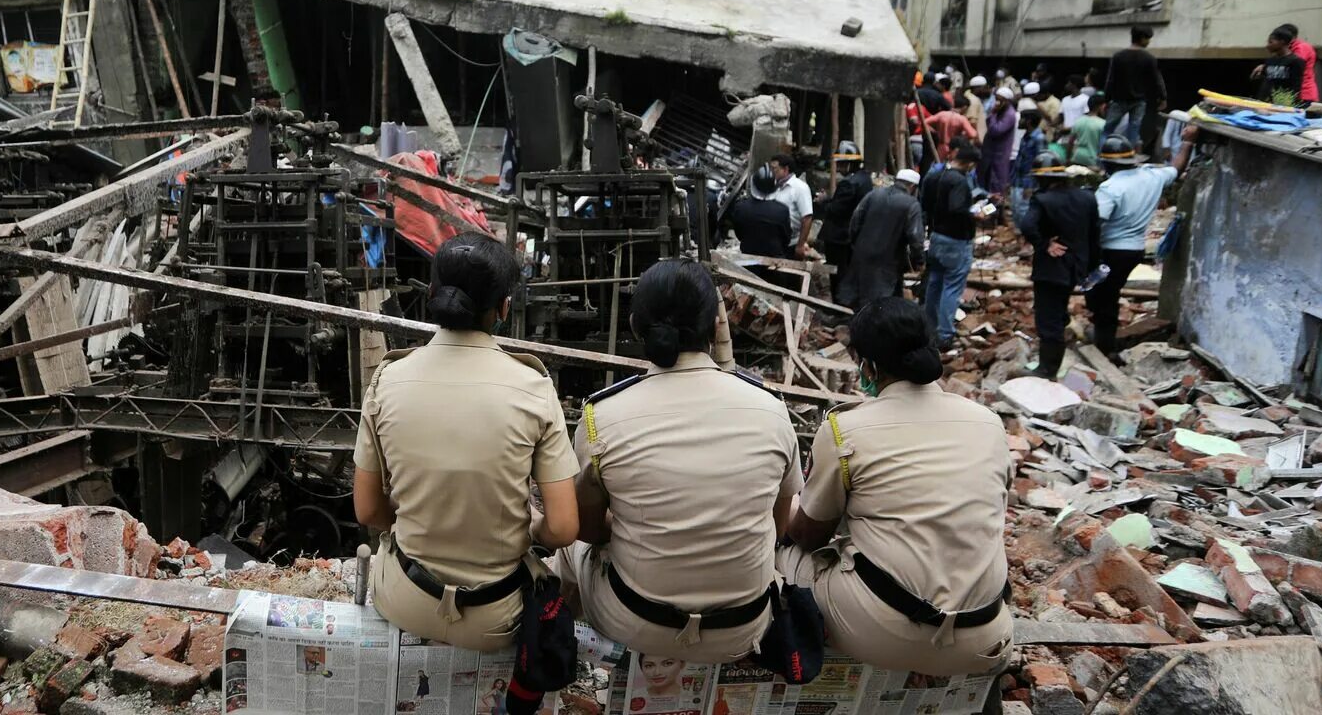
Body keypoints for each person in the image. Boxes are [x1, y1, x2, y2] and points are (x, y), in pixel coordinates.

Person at [557, 261, 801, 664]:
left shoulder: (602, 416)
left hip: (634, 620)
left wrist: (636, 524)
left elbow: (585, 528)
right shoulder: (771, 409)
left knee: (567, 550)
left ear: (636, 325)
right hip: (743, 627)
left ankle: (561, 652)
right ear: (714, 327)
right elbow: (779, 526)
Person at [355, 234, 579, 653]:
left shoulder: (387, 380)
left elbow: (368, 509)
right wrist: (530, 527)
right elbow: (565, 528)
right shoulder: (533, 387)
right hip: (496, 619)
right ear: (503, 309)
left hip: (405, 600)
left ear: (433, 294)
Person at [778, 298, 1012, 677]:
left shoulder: (843, 430)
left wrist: (783, 511)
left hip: (882, 634)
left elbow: (808, 535)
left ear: (866, 364)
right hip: (983, 639)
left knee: (782, 560)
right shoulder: (988, 422)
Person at [1090, 133, 1190, 360]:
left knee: (1102, 296)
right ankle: (1103, 336)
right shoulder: (1151, 176)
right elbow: (1177, 167)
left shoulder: (1109, 188)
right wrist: (1188, 142)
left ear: (1106, 163)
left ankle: (1105, 346)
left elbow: (1095, 223)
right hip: (1134, 250)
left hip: (1110, 251)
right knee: (1107, 293)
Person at [1015, 168, 1101, 380]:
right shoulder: (1087, 197)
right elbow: (1094, 234)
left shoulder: (1043, 200)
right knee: (1059, 309)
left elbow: (1027, 225)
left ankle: (1047, 369)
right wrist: (1091, 267)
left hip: (1051, 268)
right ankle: (1055, 355)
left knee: (1048, 318)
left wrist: (1044, 244)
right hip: (1076, 267)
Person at [840, 169, 926, 311]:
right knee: (880, 300)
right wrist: (919, 261)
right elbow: (916, 237)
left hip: (862, 253)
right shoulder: (911, 204)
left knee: (860, 293)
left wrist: (856, 244)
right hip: (888, 259)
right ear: (912, 187)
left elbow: (855, 221)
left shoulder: (874, 194)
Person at [920, 145, 977, 351]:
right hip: (956, 239)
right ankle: (945, 334)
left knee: (935, 282)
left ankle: (928, 327)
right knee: (951, 287)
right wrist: (974, 214)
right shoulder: (960, 181)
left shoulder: (935, 176)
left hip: (936, 236)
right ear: (969, 163)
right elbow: (957, 208)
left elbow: (924, 203)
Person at [816, 145, 871, 301]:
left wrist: (824, 201)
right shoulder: (864, 179)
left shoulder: (849, 183)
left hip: (839, 236)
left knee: (838, 273)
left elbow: (836, 210)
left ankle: (839, 308)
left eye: (841, 163)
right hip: (851, 236)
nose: (838, 167)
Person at [1103, 26, 1165, 151]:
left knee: (1107, 131)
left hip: (1118, 100)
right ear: (1142, 38)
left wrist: (1106, 99)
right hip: (1138, 102)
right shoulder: (1149, 59)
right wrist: (1163, 97)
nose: (1149, 42)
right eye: (1148, 38)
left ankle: (1100, 161)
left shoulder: (1118, 56)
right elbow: (1156, 80)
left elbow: (1110, 80)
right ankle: (1128, 162)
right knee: (1133, 133)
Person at [751, 154, 814, 259]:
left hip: (791, 243)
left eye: (774, 168)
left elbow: (807, 218)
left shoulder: (800, 188)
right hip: (772, 241)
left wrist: (800, 245)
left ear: (785, 169)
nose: (771, 172)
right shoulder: (774, 186)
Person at [727, 168, 795, 259]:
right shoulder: (782, 210)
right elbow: (786, 238)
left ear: (753, 185)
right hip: (774, 259)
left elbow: (739, 233)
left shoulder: (740, 207)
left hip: (748, 256)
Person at [1008, 111, 1046, 227]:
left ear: (1028, 122)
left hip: (1028, 181)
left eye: (1022, 119)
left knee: (1024, 210)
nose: (1019, 122)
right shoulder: (1025, 137)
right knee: (1015, 209)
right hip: (1018, 179)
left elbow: (1041, 162)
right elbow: (1021, 159)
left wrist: (1032, 185)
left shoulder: (1039, 138)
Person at [1252, 29, 1309, 105]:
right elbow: (1266, 82)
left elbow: (1295, 87)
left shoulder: (1295, 61)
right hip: (1265, 102)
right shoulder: (1270, 61)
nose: (1268, 45)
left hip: (1283, 103)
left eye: (1271, 42)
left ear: (1282, 42)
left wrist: (1288, 103)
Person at [979, 88, 1017, 197]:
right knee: (985, 178)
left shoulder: (1009, 114)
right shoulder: (999, 111)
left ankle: (997, 208)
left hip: (1000, 153)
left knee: (997, 182)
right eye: (996, 99)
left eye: (1000, 100)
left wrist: (993, 114)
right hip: (991, 151)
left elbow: (996, 130)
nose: (997, 102)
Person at [1275, 24, 1321, 104]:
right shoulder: (1289, 48)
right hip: (1290, 93)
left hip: (1303, 94)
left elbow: (1293, 65)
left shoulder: (1301, 47)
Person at [1068, 94, 1107, 167]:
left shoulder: (1078, 121)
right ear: (1099, 106)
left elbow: (1070, 142)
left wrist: (1068, 159)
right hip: (1092, 159)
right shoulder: (1102, 124)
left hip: (1078, 157)